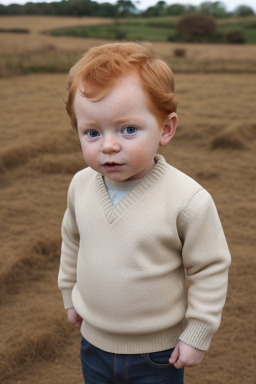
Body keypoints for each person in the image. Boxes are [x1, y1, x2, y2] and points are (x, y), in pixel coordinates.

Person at [58, 42, 231, 384]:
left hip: (157, 357)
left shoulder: (187, 199)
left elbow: (210, 268)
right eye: (92, 132)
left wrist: (197, 332)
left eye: (128, 130)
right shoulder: (80, 185)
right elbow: (72, 241)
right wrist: (69, 294)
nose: (108, 145)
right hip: (94, 346)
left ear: (165, 129)